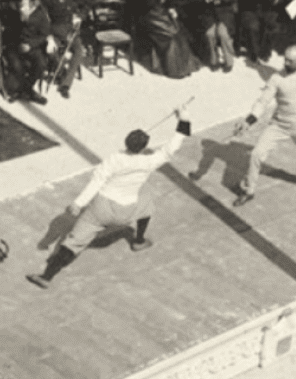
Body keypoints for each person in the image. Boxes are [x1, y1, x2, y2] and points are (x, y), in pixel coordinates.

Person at [26, 106, 192, 289]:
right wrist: (183, 118)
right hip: (127, 211)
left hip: (100, 209)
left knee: (72, 243)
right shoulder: (150, 160)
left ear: (126, 142)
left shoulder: (114, 159)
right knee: (146, 201)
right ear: (144, 147)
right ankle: (138, 241)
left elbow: (96, 182)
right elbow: (173, 145)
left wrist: (78, 204)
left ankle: (46, 277)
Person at [230, 44, 296, 205]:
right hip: (280, 125)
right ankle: (248, 190)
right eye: (285, 60)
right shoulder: (276, 78)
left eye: (290, 61)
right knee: (256, 154)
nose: (286, 63)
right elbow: (262, 102)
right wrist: (248, 121)